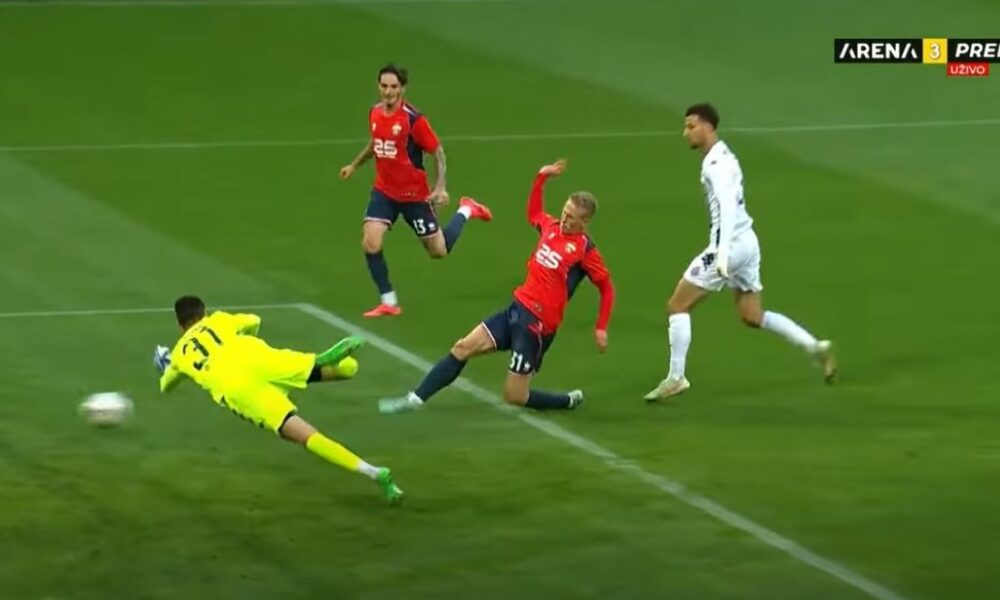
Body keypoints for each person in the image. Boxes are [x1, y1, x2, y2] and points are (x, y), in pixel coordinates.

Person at [379, 159, 615, 414]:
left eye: (571, 217)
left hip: (537, 326)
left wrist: (601, 327)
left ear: (585, 221)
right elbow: (534, 213)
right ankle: (413, 400)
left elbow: (607, 288)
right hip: (516, 309)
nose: (565, 219)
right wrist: (541, 177)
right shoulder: (551, 227)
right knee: (462, 348)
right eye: (565, 212)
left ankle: (565, 401)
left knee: (514, 396)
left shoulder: (584, 250)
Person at [644, 104, 836, 401]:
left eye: (691, 126)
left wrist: (721, 253)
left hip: (729, 246)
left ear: (708, 126)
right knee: (751, 315)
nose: (686, 133)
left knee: (677, 306)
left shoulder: (715, 165)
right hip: (748, 242)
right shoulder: (725, 156)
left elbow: (727, 207)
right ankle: (814, 346)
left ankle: (676, 377)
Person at [155, 295, 403, 504]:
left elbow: (165, 386)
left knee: (303, 435)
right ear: (204, 312)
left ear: (180, 326)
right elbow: (254, 320)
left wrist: (166, 366)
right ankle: (322, 361)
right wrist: (248, 338)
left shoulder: (179, 355)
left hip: (238, 387)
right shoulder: (218, 319)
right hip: (257, 356)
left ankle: (373, 472)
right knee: (344, 368)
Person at [340, 63, 493, 318]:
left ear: (403, 88)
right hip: (384, 192)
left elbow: (438, 152)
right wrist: (354, 165)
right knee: (370, 241)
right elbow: (376, 143)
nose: (388, 91)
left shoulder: (414, 120)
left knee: (438, 251)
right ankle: (389, 301)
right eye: (384, 86)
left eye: (393, 86)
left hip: (414, 197)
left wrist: (440, 186)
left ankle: (467, 209)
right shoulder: (375, 113)